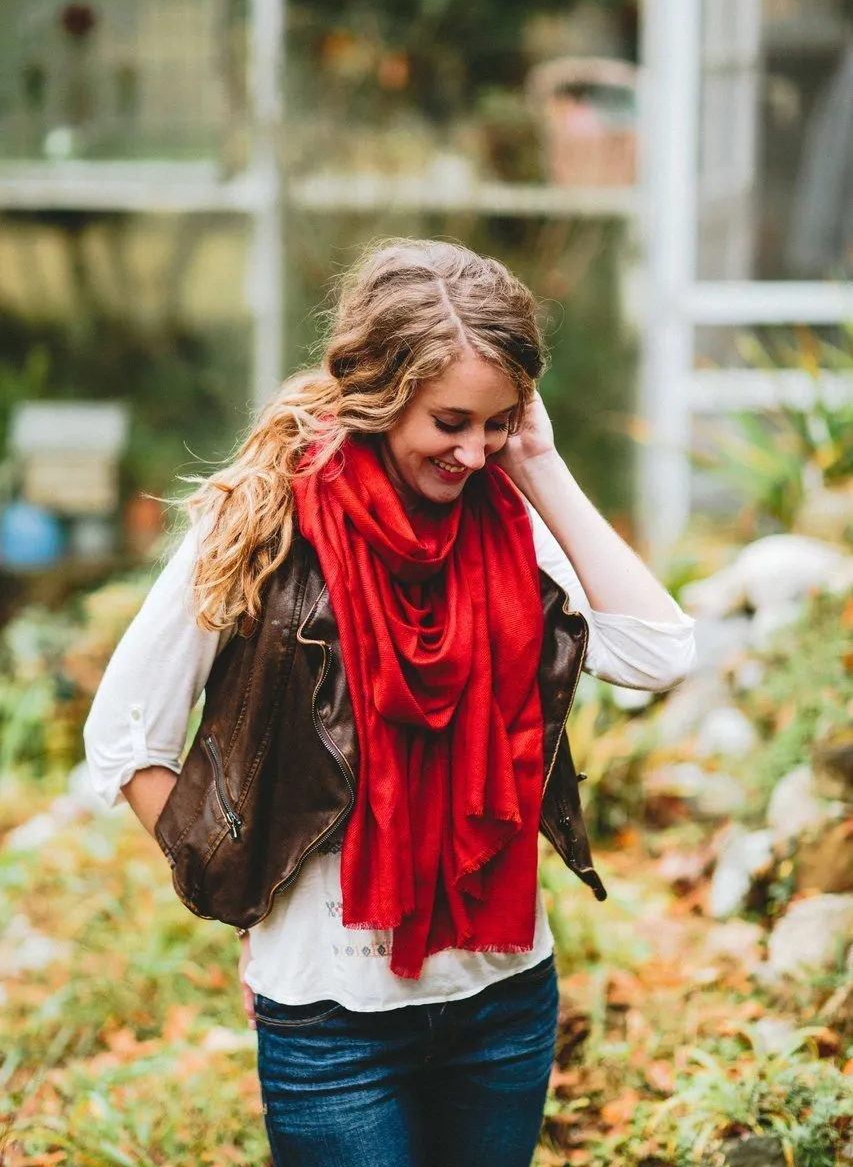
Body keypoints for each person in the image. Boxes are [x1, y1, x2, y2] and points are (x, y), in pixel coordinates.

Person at [84, 238, 695, 1167]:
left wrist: (540, 468)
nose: (472, 449)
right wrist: (249, 900)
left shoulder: (507, 514)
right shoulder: (265, 519)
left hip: (503, 1001)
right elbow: (127, 736)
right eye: (450, 420)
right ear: (379, 388)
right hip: (333, 1025)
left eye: (497, 423)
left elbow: (658, 653)